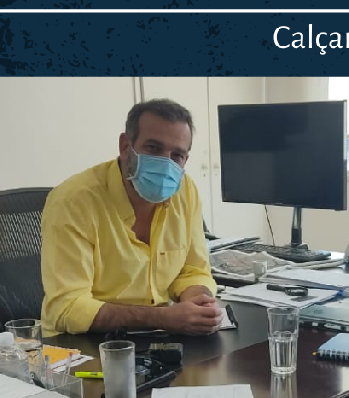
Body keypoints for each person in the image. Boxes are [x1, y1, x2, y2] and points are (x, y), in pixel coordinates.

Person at [41, 97, 222, 336]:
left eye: (177, 155)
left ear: (185, 160)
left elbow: (193, 270)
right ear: (126, 146)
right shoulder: (73, 201)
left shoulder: (185, 190)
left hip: (159, 336)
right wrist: (164, 318)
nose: (165, 164)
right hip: (83, 343)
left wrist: (200, 304)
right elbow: (67, 308)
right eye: (153, 148)